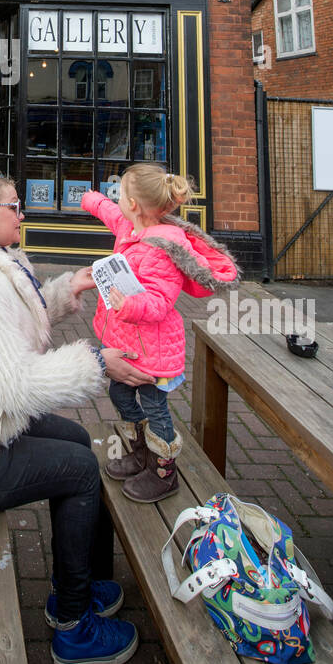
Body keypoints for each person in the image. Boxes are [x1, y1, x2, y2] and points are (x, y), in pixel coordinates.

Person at [0, 155, 155, 664]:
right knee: (83, 470)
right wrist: (96, 362)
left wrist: (71, 288)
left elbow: (19, 318)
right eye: (15, 207)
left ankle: (78, 583)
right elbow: (16, 386)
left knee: (77, 441)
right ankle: (73, 627)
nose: (23, 215)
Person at [81, 166, 239, 502]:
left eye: (120, 194)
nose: (117, 200)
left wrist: (129, 305)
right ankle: (140, 452)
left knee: (155, 408)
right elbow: (110, 212)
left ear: (134, 204)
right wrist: (91, 200)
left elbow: (159, 302)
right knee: (121, 396)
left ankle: (164, 472)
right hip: (126, 340)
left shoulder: (163, 248)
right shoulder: (130, 225)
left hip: (153, 348)